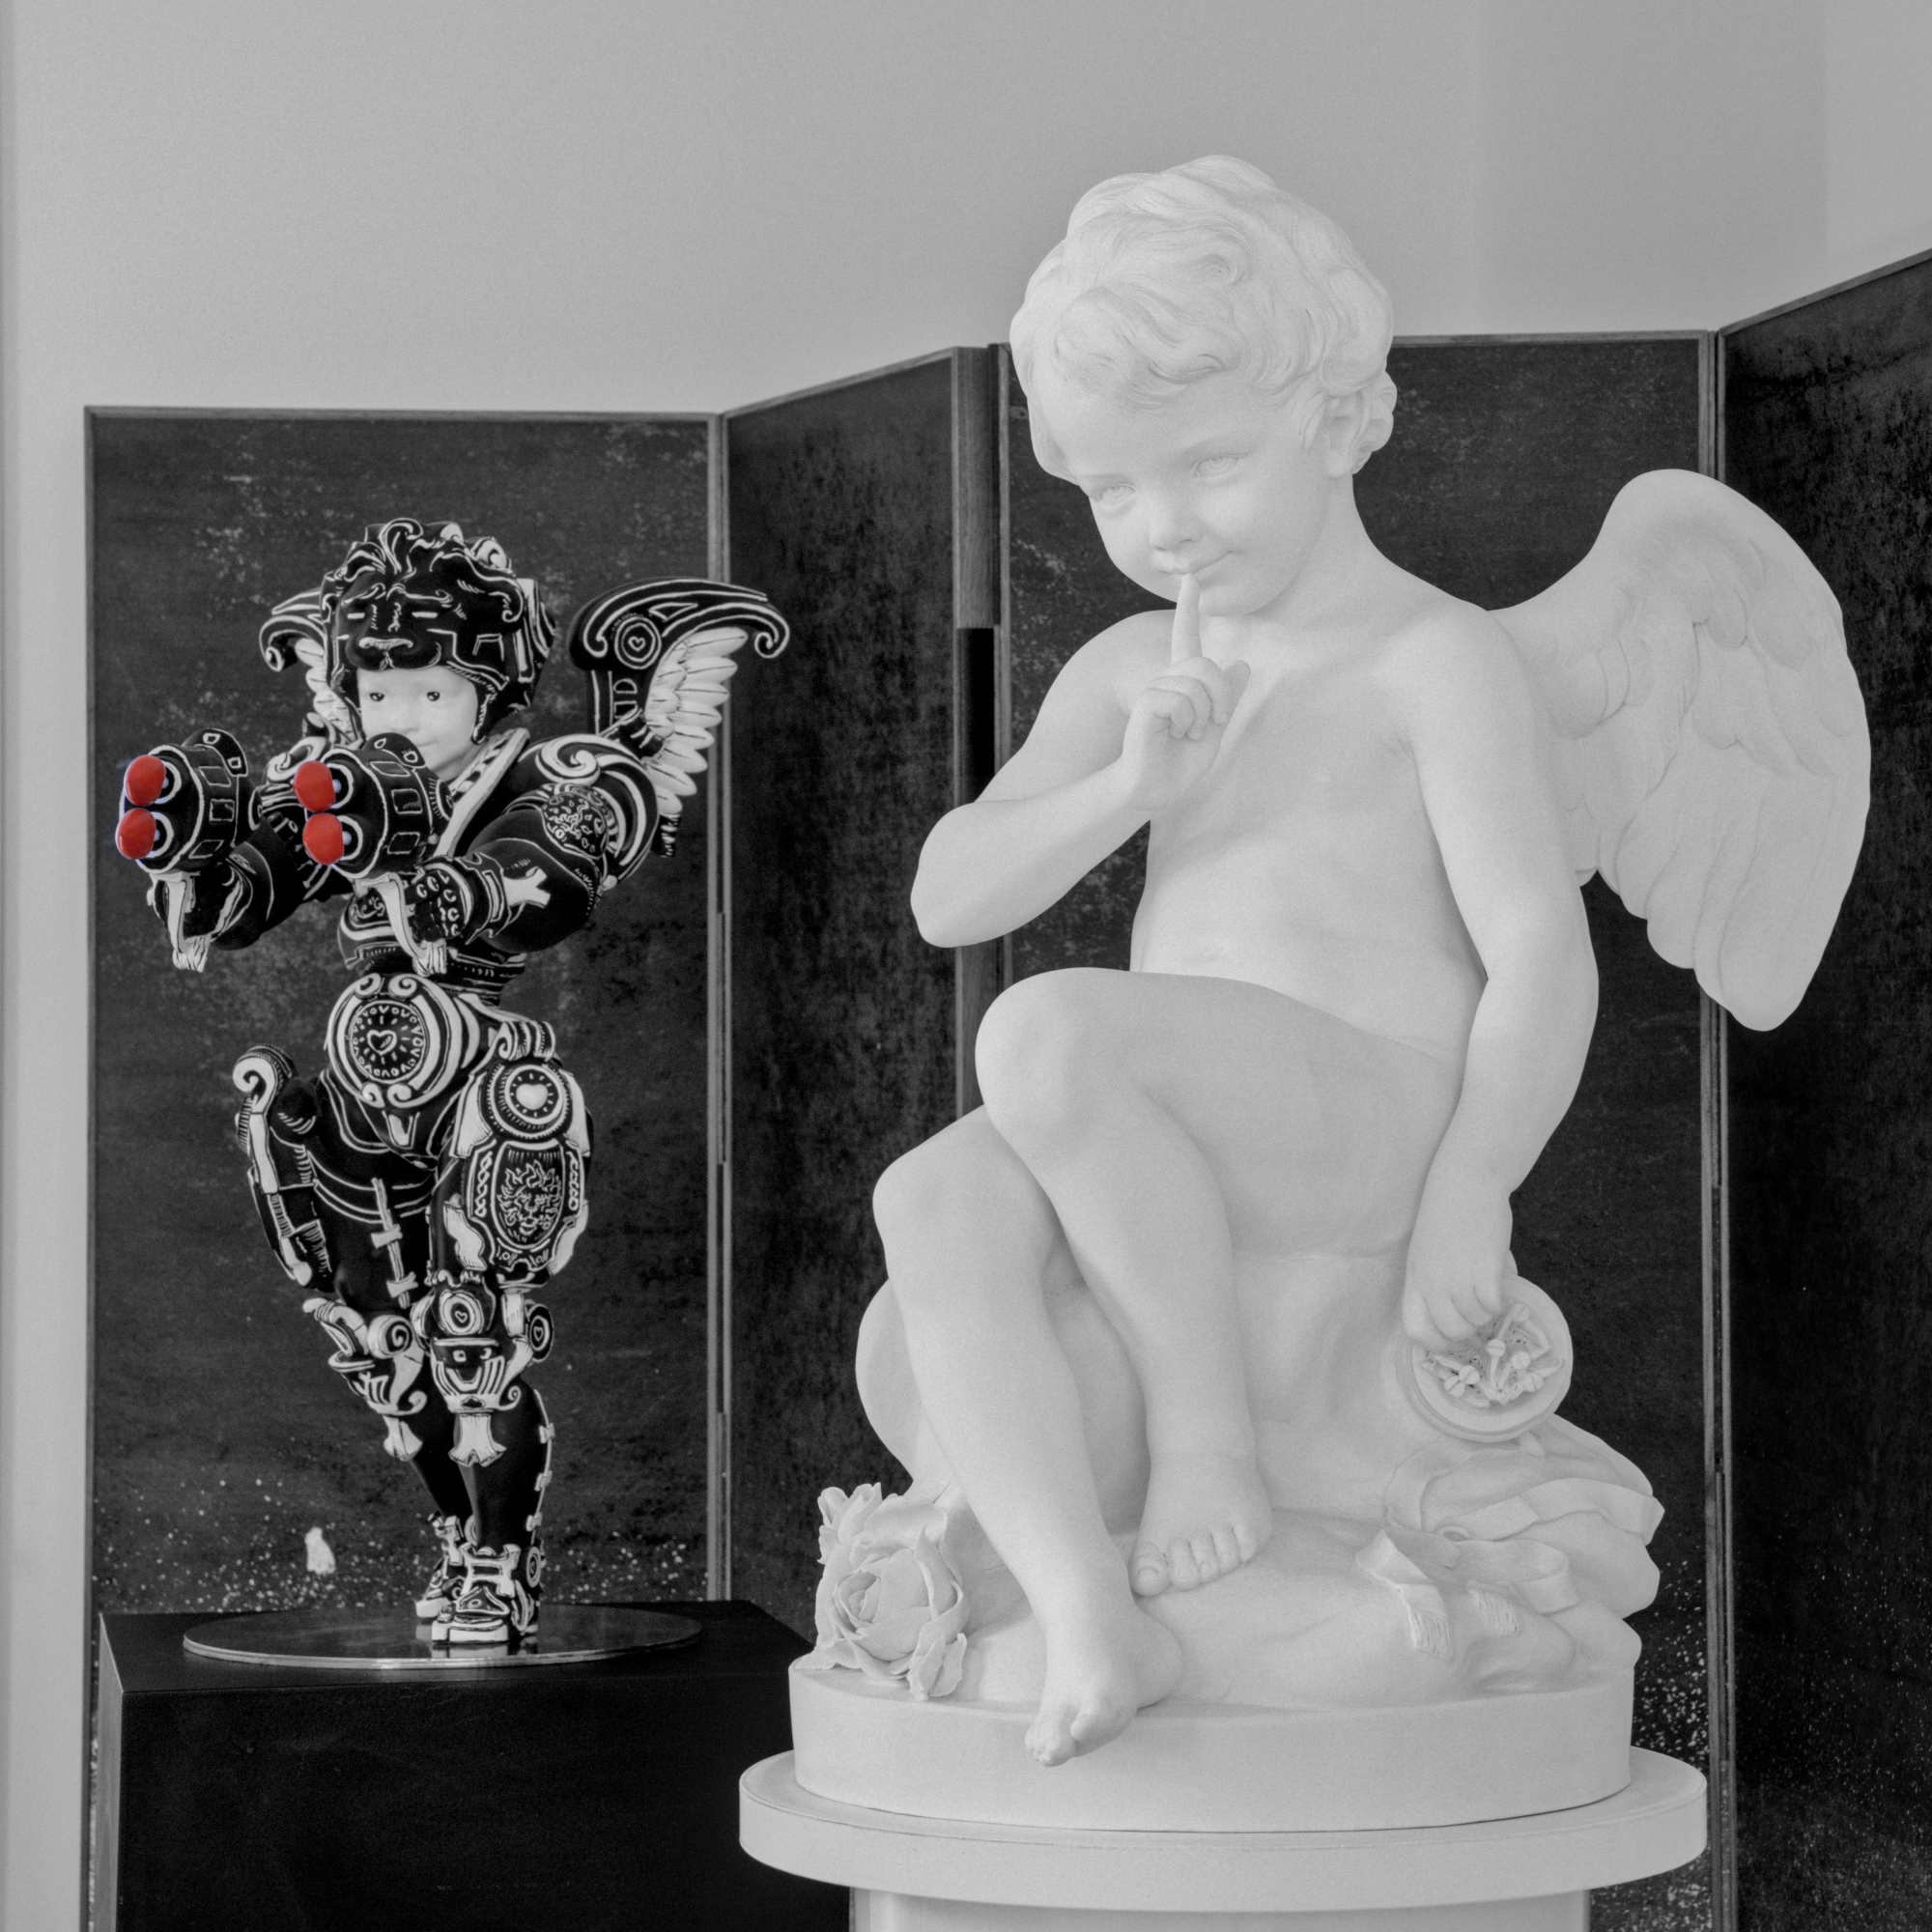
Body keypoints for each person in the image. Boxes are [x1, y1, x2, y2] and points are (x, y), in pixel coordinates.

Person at [867, 156, 1599, 1764]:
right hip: (1164, 1117)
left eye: (1206, 464)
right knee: (931, 1199)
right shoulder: (1139, 667)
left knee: (1051, 1035)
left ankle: (1210, 1446)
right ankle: (1086, 1605)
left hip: (1365, 1116)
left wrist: (1475, 1184)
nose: (1166, 528)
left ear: (1337, 417)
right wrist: (1130, 790)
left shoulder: (1431, 659)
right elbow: (947, 896)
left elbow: (1542, 954)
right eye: (1116, 493)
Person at [116, 518, 784, 1642]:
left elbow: (549, 876)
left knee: (472, 1331)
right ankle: (454, 1533)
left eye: (431, 692)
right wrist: (199, 857)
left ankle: (500, 1560)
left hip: (477, 1079)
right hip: (358, 1086)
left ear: (489, 690)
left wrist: (450, 887)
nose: (402, 716)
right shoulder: (341, 781)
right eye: (380, 692)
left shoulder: (554, 772)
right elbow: (252, 890)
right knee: (380, 1344)